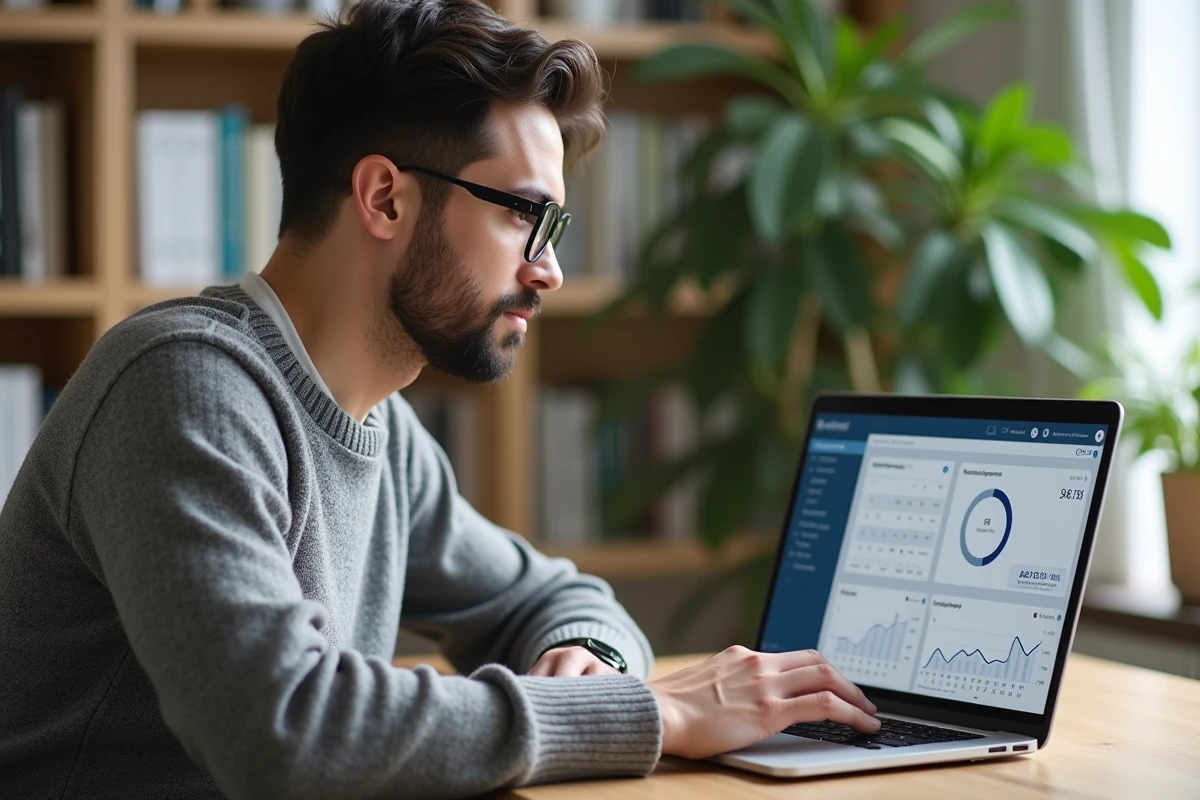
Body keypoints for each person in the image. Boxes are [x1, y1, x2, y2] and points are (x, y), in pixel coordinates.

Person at [0, 0, 880, 796]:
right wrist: (650, 714)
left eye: (555, 228)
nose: (550, 269)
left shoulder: (378, 426)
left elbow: (551, 598)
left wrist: (595, 664)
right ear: (384, 197)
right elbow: (283, 732)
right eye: (521, 215)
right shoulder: (181, 384)